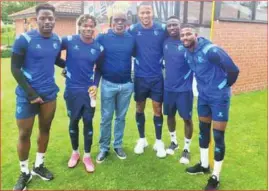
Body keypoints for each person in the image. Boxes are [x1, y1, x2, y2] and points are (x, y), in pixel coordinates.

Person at [11, 3, 65, 190]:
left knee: (45, 128)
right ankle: (24, 172)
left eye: (50, 18)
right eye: (43, 18)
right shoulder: (24, 39)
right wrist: (31, 93)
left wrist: (68, 66)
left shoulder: (57, 39)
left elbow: (55, 59)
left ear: (54, 20)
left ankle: (39, 166)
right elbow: (15, 69)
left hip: (49, 92)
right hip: (27, 94)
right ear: (37, 19)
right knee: (24, 133)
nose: (47, 21)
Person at [180, 24, 239, 190]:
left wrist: (222, 87)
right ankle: (204, 165)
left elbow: (233, 70)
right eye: (182, 35)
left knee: (218, 136)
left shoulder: (211, 51)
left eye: (188, 34)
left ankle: (215, 177)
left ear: (196, 35)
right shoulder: (187, 52)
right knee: (203, 131)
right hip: (203, 97)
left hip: (219, 98)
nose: (185, 37)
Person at [61, 14, 103, 172]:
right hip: (72, 90)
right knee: (73, 121)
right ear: (79, 26)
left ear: (94, 28)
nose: (88, 28)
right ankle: (75, 153)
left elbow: (99, 68)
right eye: (85, 25)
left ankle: (86, 155)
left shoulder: (98, 47)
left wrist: (95, 84)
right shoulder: (69, 41)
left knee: (88, 122)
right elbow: (53, 55)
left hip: (88, 91)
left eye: (91, 26)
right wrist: (65, 67)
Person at [128, 2, 167, 158]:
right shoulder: (133, 30)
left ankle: (159, 141)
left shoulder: (162, 29)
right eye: (142, 13)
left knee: (158, 109)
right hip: (139, 77)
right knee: (139, 108)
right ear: (138, 14)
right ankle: (142, 139)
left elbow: (178, 39)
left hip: (157, 76)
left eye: (148, 12)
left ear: (153, 13)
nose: (145, 15)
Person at [95, 12, 135, 163]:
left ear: (127, 23)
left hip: (126, 85)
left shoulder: (131, 39)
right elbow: (91, 54)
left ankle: (117, 145)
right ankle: (104, 148)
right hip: (108, 84)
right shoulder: (103, 37)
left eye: (122, 21)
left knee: (121, 117)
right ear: (111, 23)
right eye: (116, 20)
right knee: (106, 118)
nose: (119, 23)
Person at [163, 16, 194, 164]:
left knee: (187, 119)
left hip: (184, 89)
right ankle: (174, 142)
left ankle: (186, 149)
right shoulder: (165, 42)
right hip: (168, 88)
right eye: (169, 25)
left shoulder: (187, 43)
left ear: (180, 26)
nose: (172, 28)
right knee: (170, 116)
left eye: (175, 25)